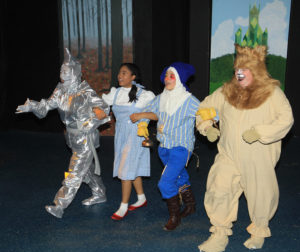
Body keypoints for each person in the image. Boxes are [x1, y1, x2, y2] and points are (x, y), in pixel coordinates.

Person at [196, 45, 294, 252]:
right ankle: (219, 233)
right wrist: (207, 126)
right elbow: (204, 108)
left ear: (257, 70)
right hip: (229, 154)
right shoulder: (226, 92)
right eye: (237, 69)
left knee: (261, 194)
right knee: (219, 188)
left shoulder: (272, 93)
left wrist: (261, 131)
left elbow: (286, 119)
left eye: (245, 69)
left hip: (258, 157)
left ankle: (259, 231)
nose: (240, 74)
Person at [16, 48, 110, 218]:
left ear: (74, 72)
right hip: (71, 137)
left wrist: (90, 121)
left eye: (66, 70)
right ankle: (100, 193)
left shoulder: (85, 91)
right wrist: (32, 106)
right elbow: (47, 105)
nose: (62, 73)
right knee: (86, 170)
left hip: (85, 139)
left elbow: (103, 108)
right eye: (61, 70)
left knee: (74, 172)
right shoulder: (60, 90)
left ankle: (59, 205)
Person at [130, 62, 203, 231]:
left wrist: (209, 119)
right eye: (166, 76)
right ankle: (191, 206)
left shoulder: (189, 100)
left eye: (172, 76)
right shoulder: (161, 97)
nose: (167, 79)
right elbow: (153, 112)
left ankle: (174, 216)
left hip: (181, 147)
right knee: (179, 176)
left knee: (165, 183)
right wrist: (142, 120)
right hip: (164, 147)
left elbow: (205, 113)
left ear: (179, 78)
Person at [102, 63, 155, 220]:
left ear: (133, 77)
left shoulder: (144, 94)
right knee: (131, 168)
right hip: (121, 136)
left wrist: (141, 117)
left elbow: (156, 112)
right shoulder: (115, 93)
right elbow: (102, 106)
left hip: (135, 136)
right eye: (119, 73)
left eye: (124, 73)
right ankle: (141, 198)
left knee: (125, 170)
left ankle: (123, 206)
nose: (120, 76)